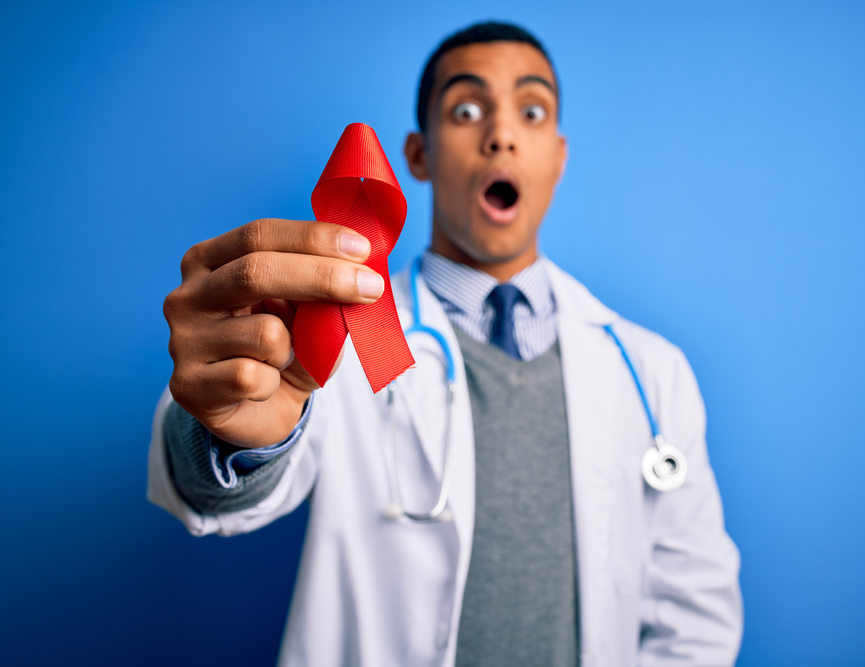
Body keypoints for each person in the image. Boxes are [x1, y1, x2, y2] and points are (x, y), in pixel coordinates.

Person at [149, 21, 743, 667]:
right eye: (466, 109)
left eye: (532, 110)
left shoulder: (650, 372)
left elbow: (697, 619)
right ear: (419, 154)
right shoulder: (330, 336)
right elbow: (211, 490)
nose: (501, 134)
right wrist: (230, 430)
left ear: (559, 155)